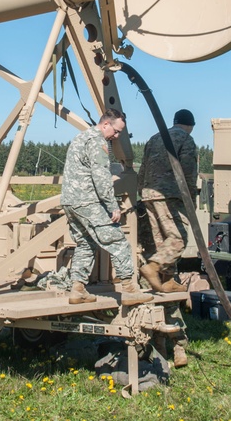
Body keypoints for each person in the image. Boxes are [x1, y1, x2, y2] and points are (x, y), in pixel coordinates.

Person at [62, 109, 153, 307]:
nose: (117, 136)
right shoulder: (98, 142)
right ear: (105, 124)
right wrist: (113, 207)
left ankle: (77, 290)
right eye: (117, 131)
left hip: (70, 201)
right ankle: (129, 290)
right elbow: (101, 177)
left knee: (86, 244)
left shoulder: (80, 138)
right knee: (118, 242)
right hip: (88, 201)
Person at [137, 108, 198, 366]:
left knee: (164, 265)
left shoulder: (154, 137)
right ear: (190, 126)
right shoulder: (187, 140)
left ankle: (161, 345)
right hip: (170, 195)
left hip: (147, 197)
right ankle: (177, 345)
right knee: (177, 240)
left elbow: (142, 169)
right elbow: (188, 172)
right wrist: (190, 200)